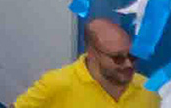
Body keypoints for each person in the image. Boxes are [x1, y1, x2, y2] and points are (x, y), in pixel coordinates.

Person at [12, 19, 159, 108]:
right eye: (118, 58)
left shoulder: (148, 90)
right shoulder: (57, 84)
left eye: (132, 56)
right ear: (93, 54)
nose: (128, 64)